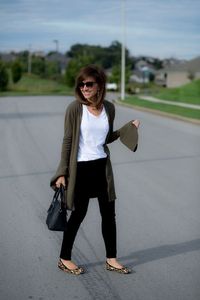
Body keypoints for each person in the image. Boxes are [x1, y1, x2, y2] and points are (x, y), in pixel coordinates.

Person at [50, 65, 140, 275]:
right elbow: (68, 140)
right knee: (78, 215)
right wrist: (62, 171)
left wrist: (129, 128)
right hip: (80, 169)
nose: (84, 87)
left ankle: (111, 259)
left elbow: (105, 138)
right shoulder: (75, 108)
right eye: (81, 84)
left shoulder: (109, 108)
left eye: (89, 84)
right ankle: (64, 258)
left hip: (102, 168)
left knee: (109, 215)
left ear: (99, 85)